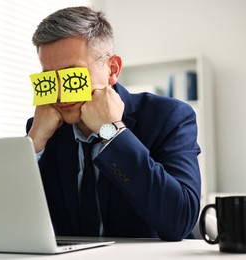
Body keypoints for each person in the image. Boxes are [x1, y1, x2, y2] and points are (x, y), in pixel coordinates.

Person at [26, 6, 201, 241]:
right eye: (49, 79)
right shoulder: (42, 131)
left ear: (113, 69)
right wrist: (32, 145)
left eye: (72, 77)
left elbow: (179, 220)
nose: (60, 94)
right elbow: (7, 221)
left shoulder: (169, 117)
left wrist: (113, 133)